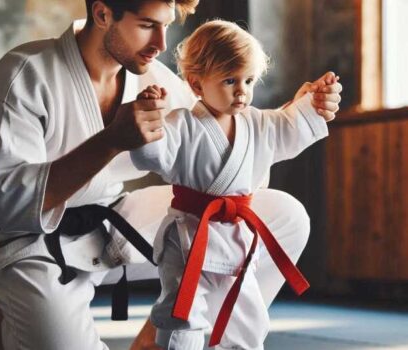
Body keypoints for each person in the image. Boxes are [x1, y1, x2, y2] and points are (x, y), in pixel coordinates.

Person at [0, 0, 342, 349]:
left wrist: (295, 114)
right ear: (103, 13)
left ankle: (173, 332)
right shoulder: (24, 75)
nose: (161, 44)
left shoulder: (153, 76)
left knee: (282, 216)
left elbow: (225, 140)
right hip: (36, 245)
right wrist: (110, 141)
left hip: (114, 219)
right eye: (148, 26)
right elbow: (12, 205)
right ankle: (10, 313)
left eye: (166, 26)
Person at [130, 20, 337, 350]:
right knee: (182, 316)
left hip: (236, 239)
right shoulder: (182, 124)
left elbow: (288, 126)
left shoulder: (256, 122)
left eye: (249, 80)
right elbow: (152, 153)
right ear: (196, 84)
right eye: (230, 80)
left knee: (247, 317)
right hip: (189, 239)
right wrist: (147, 121)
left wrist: (313, 105)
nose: (242, 90)